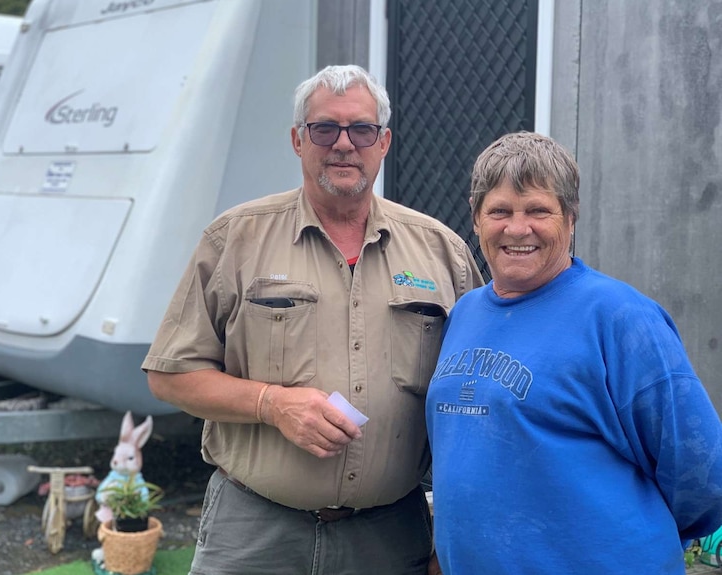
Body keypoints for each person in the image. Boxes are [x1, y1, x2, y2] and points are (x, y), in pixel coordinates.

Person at [143, 64, 483, 575]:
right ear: (298, 140)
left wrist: (453, 532)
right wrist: (271, 404)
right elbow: (169, 375)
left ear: (384, 141)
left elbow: (474, 397)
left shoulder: (442, 252)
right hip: (255, 532)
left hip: (389, 537)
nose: (343, 144)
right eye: (325, 128)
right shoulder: (235, 239)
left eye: (361, 129)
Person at [425, 131, 722, 574]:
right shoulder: (465, 313)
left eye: (538, 211)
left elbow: (701, 474)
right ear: (475, 218)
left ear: (570, 217)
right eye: (500, 211)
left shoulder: (621, 318)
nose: (517, 228)